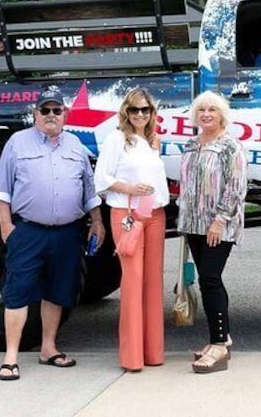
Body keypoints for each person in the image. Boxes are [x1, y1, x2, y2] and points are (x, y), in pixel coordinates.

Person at [0, 87, 106, 381]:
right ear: (35, 114)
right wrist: (7, 228)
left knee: (57, 291)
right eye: (46, 110)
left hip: (67, 233)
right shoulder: (17, 143)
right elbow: (1, 191)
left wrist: (97, 222)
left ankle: (48, 348)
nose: (51, 115)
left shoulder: (76, 146)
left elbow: (89, 191)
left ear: (65, 114)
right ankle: (11, 357)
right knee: (17, 292)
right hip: (28, 231)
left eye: (57, 110)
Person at [94, 88, 169, 372]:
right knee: (133, 280)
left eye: (145, 110)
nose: (140, 114)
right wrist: (129, 188)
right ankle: (132, 356)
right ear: (126, 111)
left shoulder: (153, 141)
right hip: (127, 213)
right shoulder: (116, 139)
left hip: (155, 213)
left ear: (151, 113)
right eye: (135, 109)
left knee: (152, 282)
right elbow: (101, 178)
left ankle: (153, 352)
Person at [176, 90, 248, 373]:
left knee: (210, 278)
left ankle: (218, 345)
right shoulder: (191, 145)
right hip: (193, 224)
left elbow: (236, 186)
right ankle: (222, 337)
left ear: (222, 115)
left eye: (213, 110)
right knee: (208, 282)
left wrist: (220, 220)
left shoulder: (231, 146)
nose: (206, 114)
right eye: (202, 109)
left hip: (219, 225)